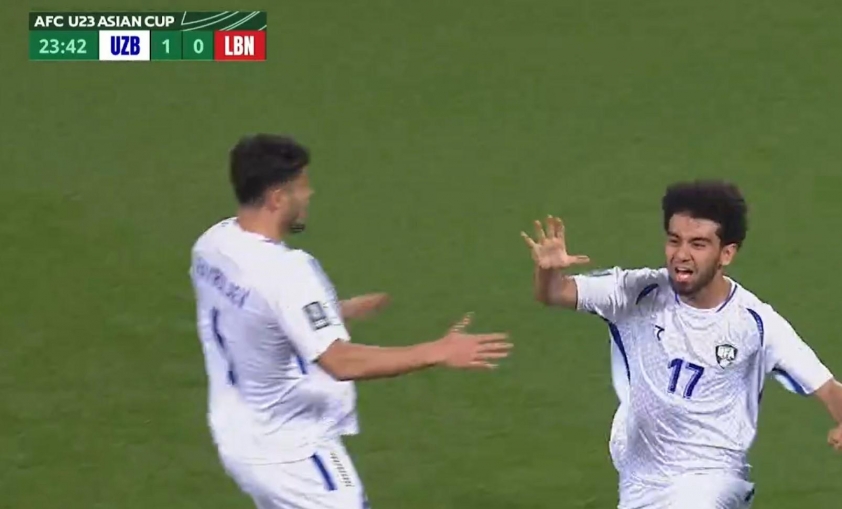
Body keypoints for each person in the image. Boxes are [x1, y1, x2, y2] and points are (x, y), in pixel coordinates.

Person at [190, 134, 512, 509]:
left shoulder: (212, 245)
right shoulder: (288, 273)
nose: (309, 194)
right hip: (293, 455)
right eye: (302, 187)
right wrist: (438, 350)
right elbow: (340, 362)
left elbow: (251, 314)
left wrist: (334, 313)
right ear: (277, 198)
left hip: (238, 435)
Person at [521, 180, 842, 508]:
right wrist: (547, 272)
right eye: (675, 240)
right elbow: (554, 293)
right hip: (641, 475)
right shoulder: (638, 292)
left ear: (726, 253)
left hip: (714, 479)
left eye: (698, 244)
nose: (681, 255)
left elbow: (829, 388)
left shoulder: (756, 324)